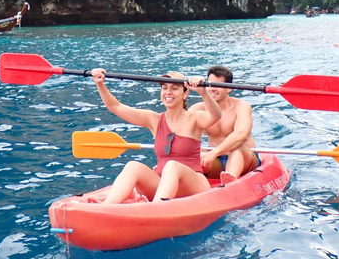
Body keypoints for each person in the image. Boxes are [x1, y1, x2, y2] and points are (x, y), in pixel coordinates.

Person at [91, 68, 222, 203]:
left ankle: (155, 207)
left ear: (185, 94)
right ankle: (108, 205)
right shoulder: (154, 120)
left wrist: (203, 92)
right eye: (164, 88)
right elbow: (115, 107)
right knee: (132, 166)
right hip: (162, 184)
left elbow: (216, 115)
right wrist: (99, 83)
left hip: (194, 184)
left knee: (172, 166)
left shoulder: (195, 118)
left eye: (174, 88)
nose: (168, 92)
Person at [188, 66, 259, 185]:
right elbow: (181, 131)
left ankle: (230, 182)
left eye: (218, 85)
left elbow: (241, 134)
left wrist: (214, 153)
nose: (212, 89)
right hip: (216, 160)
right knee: (195, 151)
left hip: (244, 159)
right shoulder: (197, 109)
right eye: (210, 84)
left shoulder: (241, 106)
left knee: (237, 148)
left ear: (229, 89)